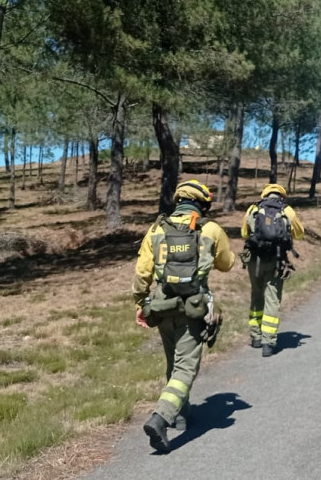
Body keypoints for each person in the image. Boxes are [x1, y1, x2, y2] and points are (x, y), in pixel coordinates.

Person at [132, 180, 236, 452]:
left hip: (162, 305)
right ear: (203, 204)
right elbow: (226, 264)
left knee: (173, 362)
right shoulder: (210, 229)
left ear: (178, 201)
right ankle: (161, 417)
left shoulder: (156, 228)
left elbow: (142, 271)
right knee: (186, 367)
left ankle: (181, 413)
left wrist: (141, 303)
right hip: (194, 307)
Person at [240, 183, 305, 357]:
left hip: (255, 260)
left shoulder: (253, 208)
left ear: (264, 195)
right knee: (272, 299)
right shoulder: (287, 210)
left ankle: (255, 337)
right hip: (276, 260)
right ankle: (268, 343)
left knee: (256, 295)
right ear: (281, 196)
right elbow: (300, 233)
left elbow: (244, 233)